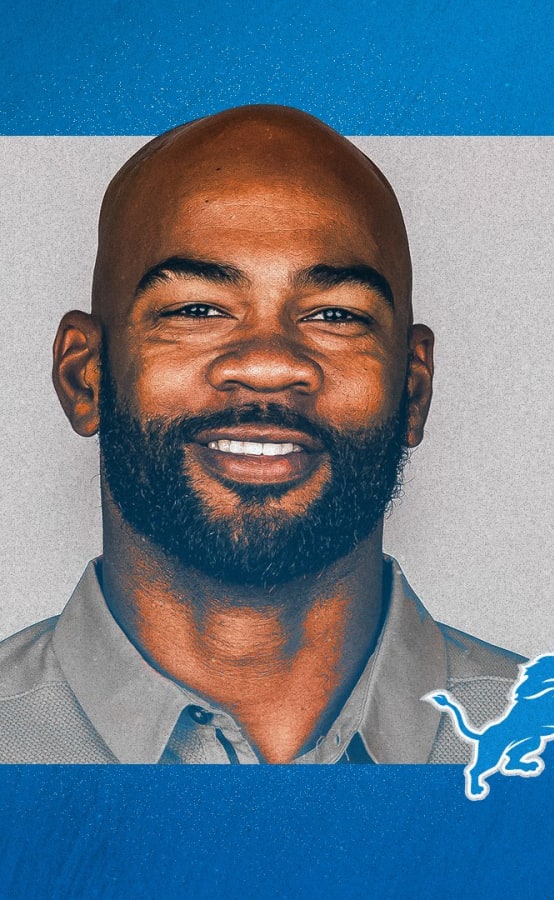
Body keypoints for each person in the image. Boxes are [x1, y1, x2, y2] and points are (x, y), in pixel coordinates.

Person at [0, 105, 522, 764]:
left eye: (335, 314)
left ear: (413, 390)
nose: (271, 364)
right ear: (86, 378)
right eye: (196, 309)